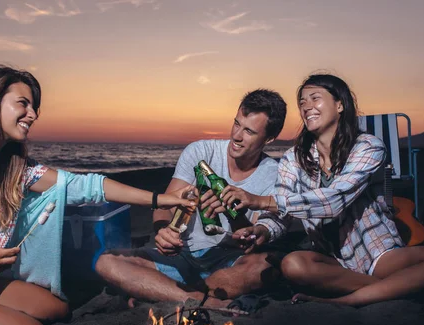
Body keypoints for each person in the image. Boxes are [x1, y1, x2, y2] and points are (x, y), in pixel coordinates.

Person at [0, 64, 195, 325]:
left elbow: (85, 185)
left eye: (34, 107)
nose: (33, 115)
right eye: (23, 103)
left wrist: (161, 199)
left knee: (57, 310)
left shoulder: (14, 168)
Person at [234, 74, 424, 307]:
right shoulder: (293, 159)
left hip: (378, 254)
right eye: (302, 102)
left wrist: (260, 201)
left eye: (315, 98)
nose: (307, 107)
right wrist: (262, 228)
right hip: (332, 260)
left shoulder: (367, 147)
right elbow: (280, 211)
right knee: (293, 264)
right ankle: (398, 287)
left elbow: (334, 201)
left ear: (340, 104)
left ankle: (349, 299)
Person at [95, 89, 287, 308]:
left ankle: (164, 291)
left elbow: (262, 233)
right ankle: (199, 298)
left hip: (228, 263)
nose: (236, 136)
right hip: (181, 256)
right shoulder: (201, 151)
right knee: (106, 262)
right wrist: (163, 232)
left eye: (249, 131)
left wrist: (235, 215)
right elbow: (165, 205)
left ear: (269, 138)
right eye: (236, 124)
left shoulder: (275, 173)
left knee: (266, 268)